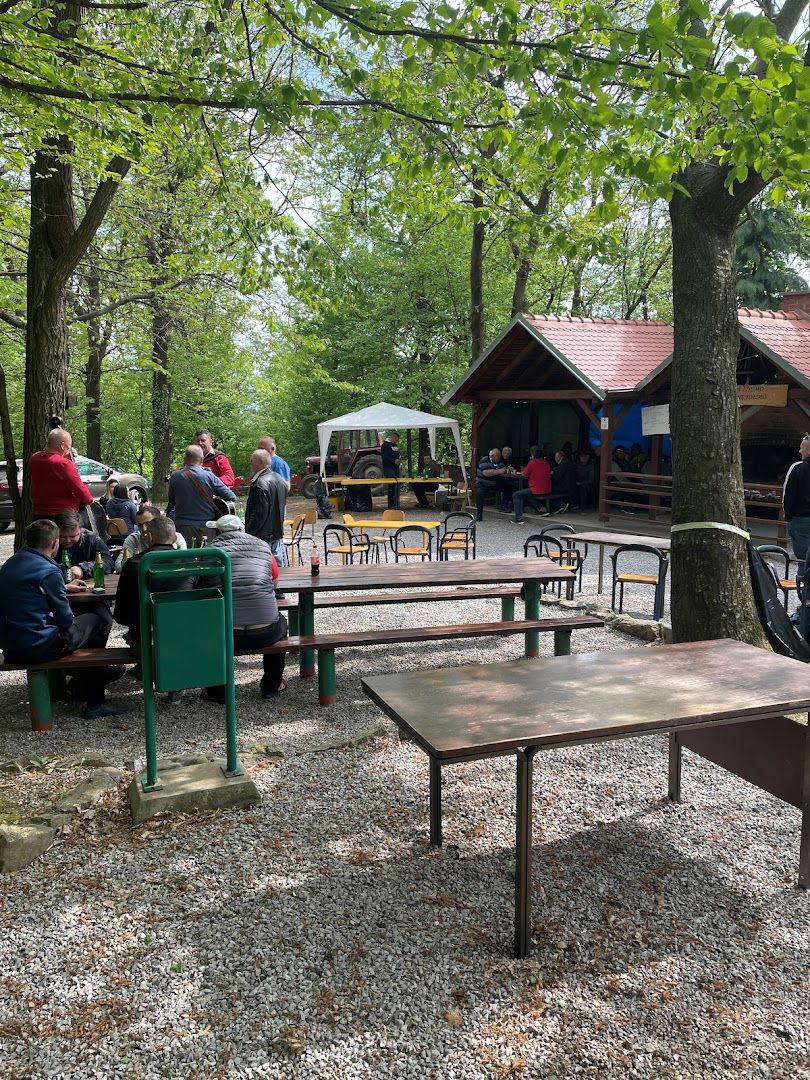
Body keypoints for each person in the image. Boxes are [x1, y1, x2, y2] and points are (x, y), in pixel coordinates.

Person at [0, 519, 126, 718]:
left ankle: (92, 676)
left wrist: (62, 588)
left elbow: (29, 591)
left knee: (85, 628)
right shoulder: (49, 570)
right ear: (53, 544)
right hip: (37, 648)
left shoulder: (10, 564)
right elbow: (66, 619)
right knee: (97, 621)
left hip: (11, 647)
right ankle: (95, 700)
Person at [201, 515, 287, 701]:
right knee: (281, 622)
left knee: (209, 626)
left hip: (227, 634)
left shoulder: (209, 551)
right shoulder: (263, 546)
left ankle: (217, 691)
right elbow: (274, 582)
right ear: (242, 529)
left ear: (217, 532)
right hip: (265, 632)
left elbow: (201, 586)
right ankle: (271, 685)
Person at [114, 516, 194, 704]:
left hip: (147, 640)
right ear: (175, 538)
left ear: (148, 537)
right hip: (188, 638)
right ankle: (175, 681)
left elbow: (121, 616)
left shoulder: (134, 565)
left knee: (135, 634)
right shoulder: (192, 563)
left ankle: (148, 672)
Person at [166, 445, 235, 547]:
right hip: (206, 527)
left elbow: (172, 501)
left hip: (183, 527)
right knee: (207, 559)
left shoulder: (174, 476)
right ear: (202, 459)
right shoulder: (209, 476)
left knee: (186, 559)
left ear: (185, 459)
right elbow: (231, 496)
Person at [28, 428, 93, 519]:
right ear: (62, 445)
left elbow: (51, 458)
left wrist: (67, 454)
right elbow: (79, 489)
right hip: (62, 516)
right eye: (69, 447)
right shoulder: (64, 464)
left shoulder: (34, 458)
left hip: (39, 513)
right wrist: (90, 500)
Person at [245, 448, 288, 566]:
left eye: (252, 460)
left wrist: (248, 533)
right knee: (279, 569)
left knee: (265, 569)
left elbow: (259, 515)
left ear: (261, 463)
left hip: (263, 537)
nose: (250, 462)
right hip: (276, 533)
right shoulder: (279, 478)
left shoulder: (260, 484)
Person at [114, 504, 187, 572]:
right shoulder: (133, 539)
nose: (144, 529)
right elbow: (119, 565)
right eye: (140, 525)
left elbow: (183, 563)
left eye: (148, 523)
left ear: (158, 522)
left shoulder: (175, 537)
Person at [55, 509, 114, 579]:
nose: (68, 541)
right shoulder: (49, 541)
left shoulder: (92, 539)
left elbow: (108, 562)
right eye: (62, 536)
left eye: (72, 536)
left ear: (80, 530)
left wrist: (82, 569)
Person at [783, 434, 810, 575]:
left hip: (800, 520)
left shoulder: (797, 468)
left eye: (801, 448)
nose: (799, 451)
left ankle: (804, 593)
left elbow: (788, 496)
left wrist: (788, 517)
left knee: (803, 561)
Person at [511, 446, 552, 524]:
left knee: (516, 495)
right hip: (547, 488)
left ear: (533, 454)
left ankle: (518, 518)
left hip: (537, 489)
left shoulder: (532, 462)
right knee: (526, 494)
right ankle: (541, 508)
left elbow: (524, 474)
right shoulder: (546, 462)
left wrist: (522, 469)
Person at [475, 448, 506, 521]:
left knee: (506, 487)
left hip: (493, 483)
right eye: (497, 456)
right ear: (492, 456)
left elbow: (503, 469)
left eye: (499, 456)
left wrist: (495, 471)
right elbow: (486, 473)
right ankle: (479, 514)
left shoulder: (499, 461)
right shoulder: (484, 460)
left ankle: (503, 506)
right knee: (480, 493)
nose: (499, 458)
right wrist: (498, 471)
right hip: (482, 482)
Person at [380, 431, 402, 510]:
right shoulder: (385, 445)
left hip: (396, 468)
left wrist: (399, 456)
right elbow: (385, 457)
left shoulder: (394, 445)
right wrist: (393, 461)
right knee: (392, 486)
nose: (396, 441)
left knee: (397, 486)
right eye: (396, 439)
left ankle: (396, 503)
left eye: (397, 440)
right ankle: (391, 504)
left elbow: (396, 454)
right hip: (389, 468)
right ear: (392, 437)